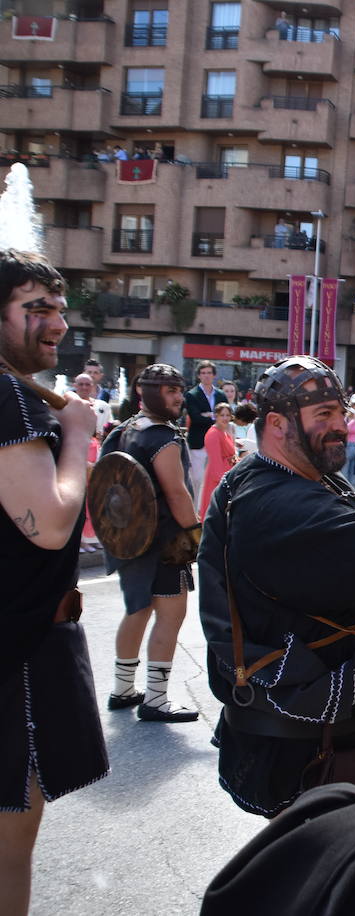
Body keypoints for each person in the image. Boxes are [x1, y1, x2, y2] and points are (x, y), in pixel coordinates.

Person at [198, 357, 355, 818]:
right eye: (323, 416)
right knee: (337, 877)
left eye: (340, 412)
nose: (340, 426)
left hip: (311, 732)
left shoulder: (290, 477)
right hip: (305, 750)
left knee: (322, 877)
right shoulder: (274, 501)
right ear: (276, 424)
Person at [0, 250, 108, 913]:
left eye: (60, 309)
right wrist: (76, 436)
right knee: (11, 839)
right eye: (36, 307)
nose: (57, 324)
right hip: (14, 658)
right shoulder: (8, 396)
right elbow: (48, 520)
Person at [101, 364, 201, 722]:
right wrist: (196, 535)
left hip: (130, 540)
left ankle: (122, 688)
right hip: (166, 543)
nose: (179, 397)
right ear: (147, 392)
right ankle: (156, 699)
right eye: (171, 390)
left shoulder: (125, 429)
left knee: (137, 610)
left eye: (179, 390)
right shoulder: (162, 437)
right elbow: (176, 493)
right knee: (171, 615)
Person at [185, 360, 228, 508]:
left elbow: (225, 417)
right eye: (203, 373)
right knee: (197, 479)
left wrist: (208, 415)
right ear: (198, 376)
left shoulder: (221, 395)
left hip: (217, 442)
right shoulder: (191, 395)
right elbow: (195, 418)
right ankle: (196, 511)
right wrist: (214, 417)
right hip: (198, 442)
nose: (206, 376)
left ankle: (212, 509)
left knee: (217, 478)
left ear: (214, 375)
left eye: (209, 373)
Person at [199, 403, 236, 518]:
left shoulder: (224, 432)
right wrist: (225, 484)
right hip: (218, 480)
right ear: (216, 416)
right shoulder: (213, 434)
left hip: (228, 475)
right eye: (222, 415)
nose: (225, 418)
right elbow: (215, 463)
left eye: (227, 415)